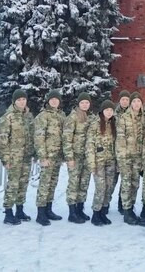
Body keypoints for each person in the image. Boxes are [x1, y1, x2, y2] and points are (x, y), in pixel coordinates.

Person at [0, 89, 35, 225]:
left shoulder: (28, 116)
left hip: (26, 156)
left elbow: (32, 136)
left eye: (24, 99)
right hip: (14, 157)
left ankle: (20, 209)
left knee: (23, 183)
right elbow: (2, 140)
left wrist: (33, 152)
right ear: (14, 101)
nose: (22, 102)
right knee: (13, 184)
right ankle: (8, 212)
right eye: (19, 100)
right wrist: (5, 158)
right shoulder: (8, 117)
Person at [34, 90, 66, 226]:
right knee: (44, 184)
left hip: (57, 156)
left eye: (56, 99)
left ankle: (48, 209)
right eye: (51, 99)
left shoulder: (62, 115)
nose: (54, 101)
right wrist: (42, 156)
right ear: (48, 101)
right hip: (47, 156)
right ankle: (40, 213)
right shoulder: (43, 116)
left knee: (53, 183)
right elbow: (39, 138)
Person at [116, 91, 145, 225]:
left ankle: (131, 208)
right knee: (126, 183)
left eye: (138, 101)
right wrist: (122, 158)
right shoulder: (124, 117)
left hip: (139, 157)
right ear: (131, 103)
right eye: (134, 101)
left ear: (141, 103)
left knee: (135, 183)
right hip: (126, 156)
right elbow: (120, 138)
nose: (136, 104)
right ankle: (126, 210)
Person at [63, 92, 95, 224]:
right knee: (74, 183)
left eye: (87, 102)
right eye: (82, 103)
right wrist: (69, 157)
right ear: (78, 104)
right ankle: (72, 212)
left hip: (87, 156)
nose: (85, 105)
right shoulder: (73, 117)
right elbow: (67, 139)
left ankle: (80, 209)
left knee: (84, 184)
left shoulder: (92, 117)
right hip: (75, 156)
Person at [86, 100, 117, 226]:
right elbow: (89, 145)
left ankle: (103, 212)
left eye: (111, 110)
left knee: (109, 187)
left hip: (111, 161)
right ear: (102, 111)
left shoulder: (114, 124)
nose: (109, 112)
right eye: (107, 110)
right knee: (101, 187)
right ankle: (96, 213)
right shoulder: (95, 124)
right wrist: (91, 163)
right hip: (98, 161)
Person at [114, 90, 130, 214]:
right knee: (111, 181)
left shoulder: (132, 114)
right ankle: (103, 206)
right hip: (113, 152)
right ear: (119, 101)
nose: (125, 101)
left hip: (128, 153)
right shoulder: (113, 114)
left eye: (127, 99)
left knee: (125, 181)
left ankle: (121, 204)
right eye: (123, 99)